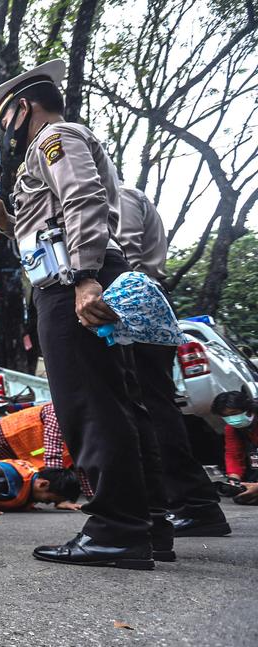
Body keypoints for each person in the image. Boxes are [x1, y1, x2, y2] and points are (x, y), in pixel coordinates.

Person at [0, 59, 170, 570]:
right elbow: (53, 219)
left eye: (4, 116)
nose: (5, 127)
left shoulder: (53, 138)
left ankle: (116, 531)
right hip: (73, 275)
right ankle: (147, 525)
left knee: (89, 405)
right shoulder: (54, 146)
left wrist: (84, 277)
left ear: (21, 108)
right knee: (117, 402)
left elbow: (83, 197)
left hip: (70, 285)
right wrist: (4, 221)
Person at [119, 187, 231, 536]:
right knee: (151, 407)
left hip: (134, 303)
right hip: (139, 302)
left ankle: (194, 504)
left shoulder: (118, 196)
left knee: (151, 409)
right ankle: (188, 503)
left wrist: (110, 304)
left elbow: (125, 256)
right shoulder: (122, 196)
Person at [212, 390, 258, 484]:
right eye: (226, 416)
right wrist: (234, 479)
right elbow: (233, 454)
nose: (231, 419)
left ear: (249, 410)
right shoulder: (232, 429)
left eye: (234, 413)